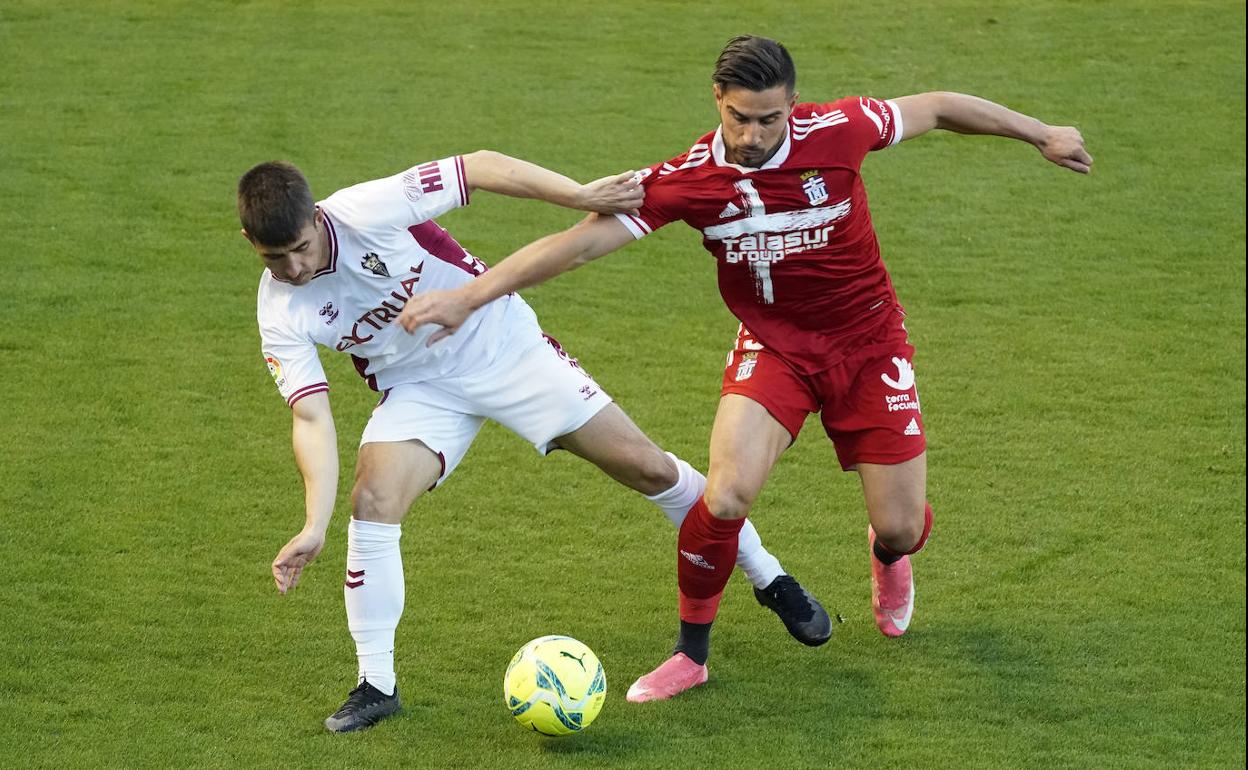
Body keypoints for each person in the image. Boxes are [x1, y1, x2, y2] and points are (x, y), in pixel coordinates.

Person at [395, 35, 1093, 702]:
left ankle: (889, 554)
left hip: (869, 344)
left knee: (903, 525)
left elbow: (937, 106)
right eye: (739, 118)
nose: (754, 135)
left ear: (793, 104)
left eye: (769, 119)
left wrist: (1041, 132)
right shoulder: (688, 181)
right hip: (775, 347)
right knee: (725, 495)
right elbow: (576, 248)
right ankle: (689, 656)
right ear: (716, 101)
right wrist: (467, 296)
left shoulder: (842, 129)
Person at [238, 149, 833, 732]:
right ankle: (377, 686)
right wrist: (314, 524)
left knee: (648, 469)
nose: (293, 268)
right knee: (371, 504)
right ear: (250, 244)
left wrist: (578, 195)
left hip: (502, 346)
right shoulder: (280, 309)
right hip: (420, 389)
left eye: (300, 249)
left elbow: (478, 166)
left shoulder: (365, 209)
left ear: (317, 219)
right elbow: (311, 418)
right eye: (275, 258)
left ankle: (770, 578)